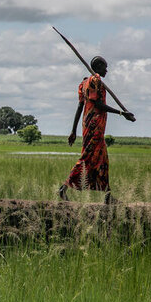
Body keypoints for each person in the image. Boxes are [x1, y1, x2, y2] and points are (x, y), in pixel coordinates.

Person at [58, 55, 135, 203]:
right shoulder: (95, 80)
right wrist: (121, 113)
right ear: (98, 66)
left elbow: (80, 107)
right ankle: (63, 188)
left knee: (102, 160)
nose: (107, 70)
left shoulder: (84, 83)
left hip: (88, 126)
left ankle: (107, 196)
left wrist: (73, 130)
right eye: (104, 67)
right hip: (94, 126)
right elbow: (98, 105)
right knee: (87, 159)